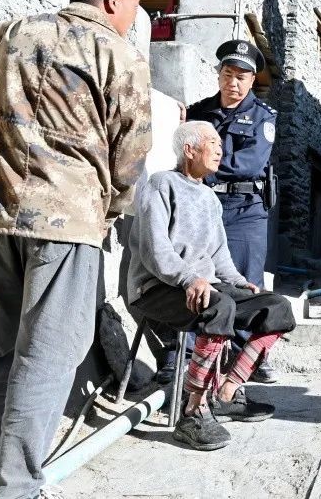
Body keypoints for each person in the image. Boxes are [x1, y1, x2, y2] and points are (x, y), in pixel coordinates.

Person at [0, 0, 153, 499]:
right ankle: (15, 487)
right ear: (113, 0)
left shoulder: (20, 31)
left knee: (5, 347)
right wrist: (112, 209)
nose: (134, 16)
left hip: (1, 211)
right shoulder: (120, 53)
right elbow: (131, 153)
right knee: (50, 356)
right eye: (133, 4)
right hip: (67, 217)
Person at [127, 122, 296, 450]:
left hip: (206, 285)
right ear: (189, 150)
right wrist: (189, 279)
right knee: (220, 306)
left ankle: (228, 390)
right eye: (212, 143)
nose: (220, 150)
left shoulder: (209, 197)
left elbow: (219, 255)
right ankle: (192, 412)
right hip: (157, 286)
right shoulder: (161, 185)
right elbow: (154, 249)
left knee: (277, 308)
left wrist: (238, 282)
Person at [185, 40, 281, 383]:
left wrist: (201, 162)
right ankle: (193, 354)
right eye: (228, 74)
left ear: (253, 80)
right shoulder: (197, 113)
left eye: (242, 76)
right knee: (198, 276)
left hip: (244, 209)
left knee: (245, 282)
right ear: (219, 75)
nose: (233, 82)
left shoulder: (263, 118)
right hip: (203, 206)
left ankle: (245, 359)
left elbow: (247, 164)